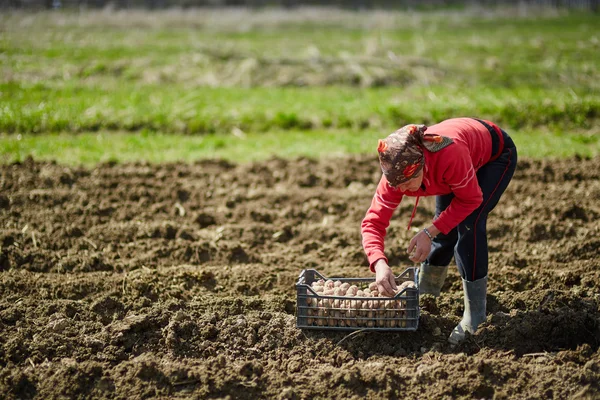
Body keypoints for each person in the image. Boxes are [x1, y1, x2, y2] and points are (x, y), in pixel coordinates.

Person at [360, 117, 517, 344]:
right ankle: (426, 296)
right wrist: (379, 263)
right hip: (455, 162)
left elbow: (471, 200)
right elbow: (372, 222)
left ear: (422, 166)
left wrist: (428, 233)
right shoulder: (396, 175)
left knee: (468, 222)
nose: (401, 190)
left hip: (495, 155)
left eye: (407, 183)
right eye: (396, 185)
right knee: (444, 225)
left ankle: (475, 318)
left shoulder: (448, 157)